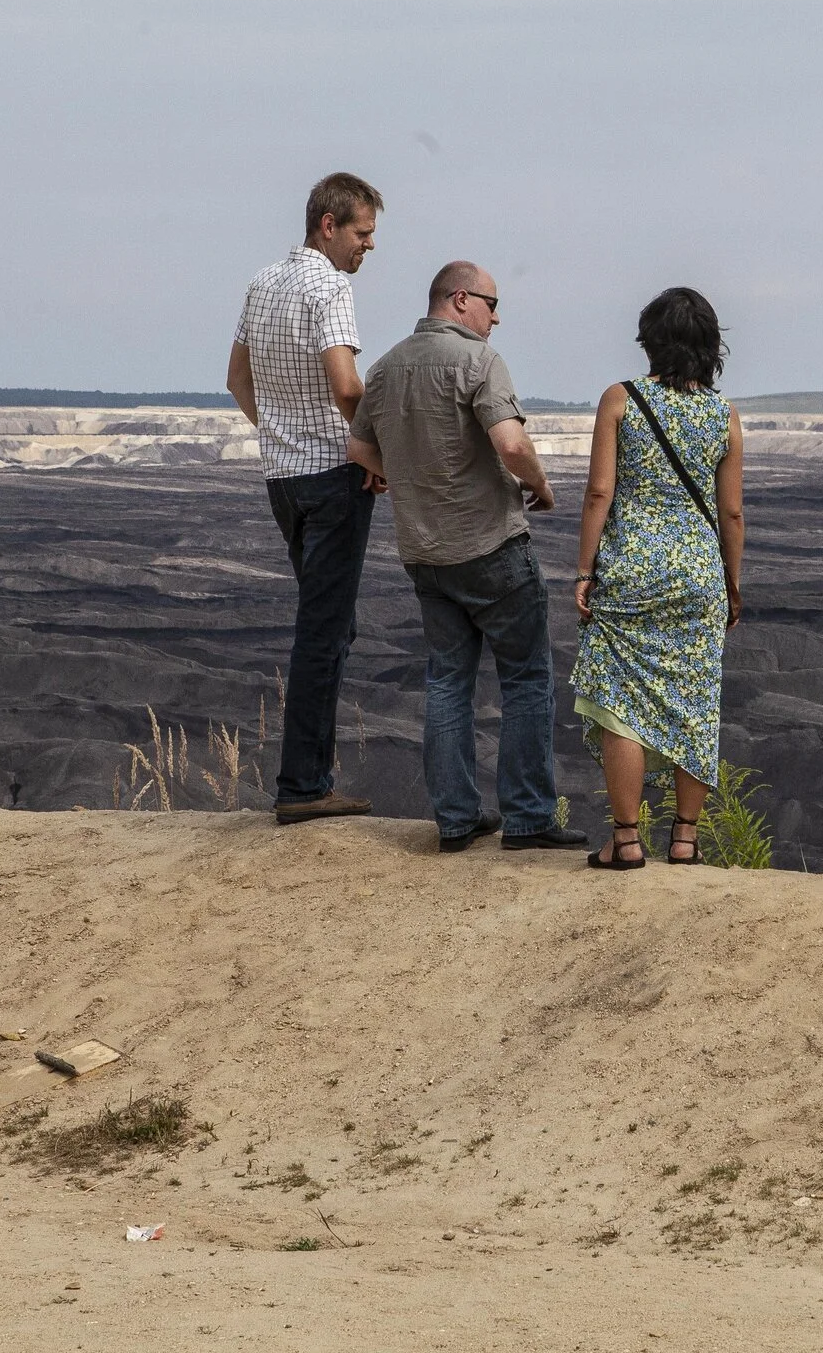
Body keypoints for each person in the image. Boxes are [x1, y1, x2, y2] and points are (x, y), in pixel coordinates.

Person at [345, 261, 585, 854]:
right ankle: (527, 817)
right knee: (527, 678)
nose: (496, 316)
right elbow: (510, 442)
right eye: (491, 303)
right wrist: (543, 486)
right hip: (491, 547)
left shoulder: (384, 367)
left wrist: (396, 474)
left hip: (426, 554)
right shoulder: (479, 361)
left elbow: (357, 446)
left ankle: (456, 818)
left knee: (448, 681)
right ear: (459, 300)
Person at [570, 288, 747, 870]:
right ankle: (686, 840)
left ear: (650, 340)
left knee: (622, 703)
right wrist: (730, 583)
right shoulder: (725, 416)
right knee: (695, 701)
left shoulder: (620, 400)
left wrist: (584, 570)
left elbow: (599, 492)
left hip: (630, 573)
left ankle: (625, 841)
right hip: (698, 576)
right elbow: (732, 513)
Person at [226, 172, 384, 825]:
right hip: (331, 476)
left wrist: (278, 435)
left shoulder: (262, 282)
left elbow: (237, 378)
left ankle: (310, 776)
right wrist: (377, 450)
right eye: (362, 233)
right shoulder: (330, 286)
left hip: (283, 480)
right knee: (321, 632)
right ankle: (303, 786)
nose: (368, 248)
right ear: (329, 225)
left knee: (332, 624)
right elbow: (347, 386)